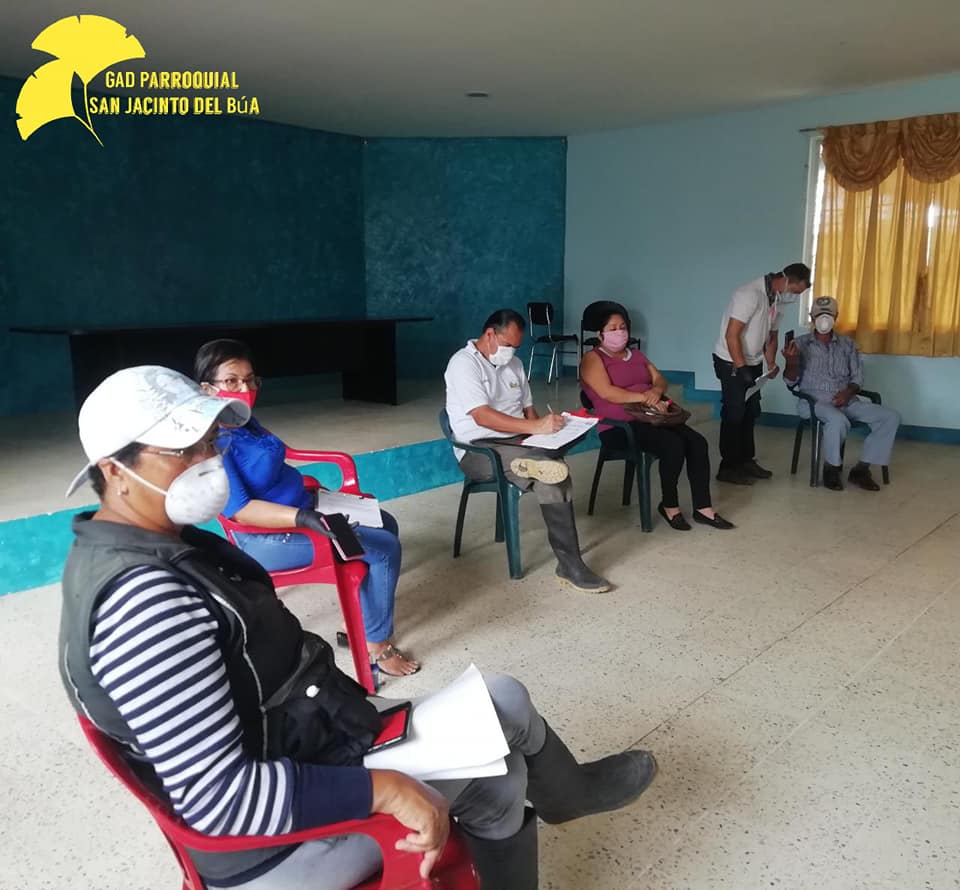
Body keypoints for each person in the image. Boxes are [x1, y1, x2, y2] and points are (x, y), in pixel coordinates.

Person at [59, 365, 658, 890]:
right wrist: (388, 789)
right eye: (182, 449)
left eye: (211, 442)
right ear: (114, 469)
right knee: (501, 748)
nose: (208, 462)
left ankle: (566, 796)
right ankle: (569, 795)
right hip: (272, 849)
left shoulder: (148, 544)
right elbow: (223, 801)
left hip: (303, 740)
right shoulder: (145, 603)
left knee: (501, 736)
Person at [191, 339, 418, 678]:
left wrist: (310, 494)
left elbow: (275, 455)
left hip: (307, 507)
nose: (245, 389)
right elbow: (242, 511)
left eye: (250, 380)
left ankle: (360, 619)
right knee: (384, 549)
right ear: (207, 388)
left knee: (386, 522)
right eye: (232, 381)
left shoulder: (241, 419)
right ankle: (377, 646)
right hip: (271, 536)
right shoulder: (215, 442)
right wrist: (304, 517)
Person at [444, 309, 610, 593]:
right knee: (552, 471)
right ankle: (570, 565)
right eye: (508, 344)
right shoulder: (463, 364)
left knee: (553, 474)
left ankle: (537, 463)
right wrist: (535, 427)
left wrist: (547, 429)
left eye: (516, 346)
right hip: (479, 450)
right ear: (489, 334)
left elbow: (528, 409)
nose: (511, 351)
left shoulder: (515, 364)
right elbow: (482, 416)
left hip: (519, 441)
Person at [580, 305, 734, 530]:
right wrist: (645, 397)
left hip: (652, 417)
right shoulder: (593, 358)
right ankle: (670, 506)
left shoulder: (637, 355)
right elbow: (607, 392)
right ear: (600, 334)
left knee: (697, 442)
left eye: (622, 327)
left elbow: (659, 379)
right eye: (612, 328)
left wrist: (655, 391)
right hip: (620, 427)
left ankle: (703, 508)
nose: (619, 332)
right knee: (673, 445)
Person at [783, 297, 901, 491]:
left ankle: (861, 469)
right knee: (837, 420)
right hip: (814, 402)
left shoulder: (847, 344)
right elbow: (789, 381)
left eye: (828, 315)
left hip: (847, 400)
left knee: (890, 417)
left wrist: (848, 393)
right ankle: (831, 468)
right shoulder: (799, 344)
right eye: (819, 315)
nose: (824, 319)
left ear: (836, 317)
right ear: (812, 317)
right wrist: (791, 362)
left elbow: (858, 378)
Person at [712, 263, 811, 485]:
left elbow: (772, 336)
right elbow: (731, 335)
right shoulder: (749, 295)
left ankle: (746, 461)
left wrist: (771, 363)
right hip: (730, 361)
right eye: (795, 291)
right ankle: (728, 467)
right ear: (786, 280)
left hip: (753, 360)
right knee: (735, 412)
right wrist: (742, 369)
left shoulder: (776, 299)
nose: (794, 297)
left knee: (751, 411)